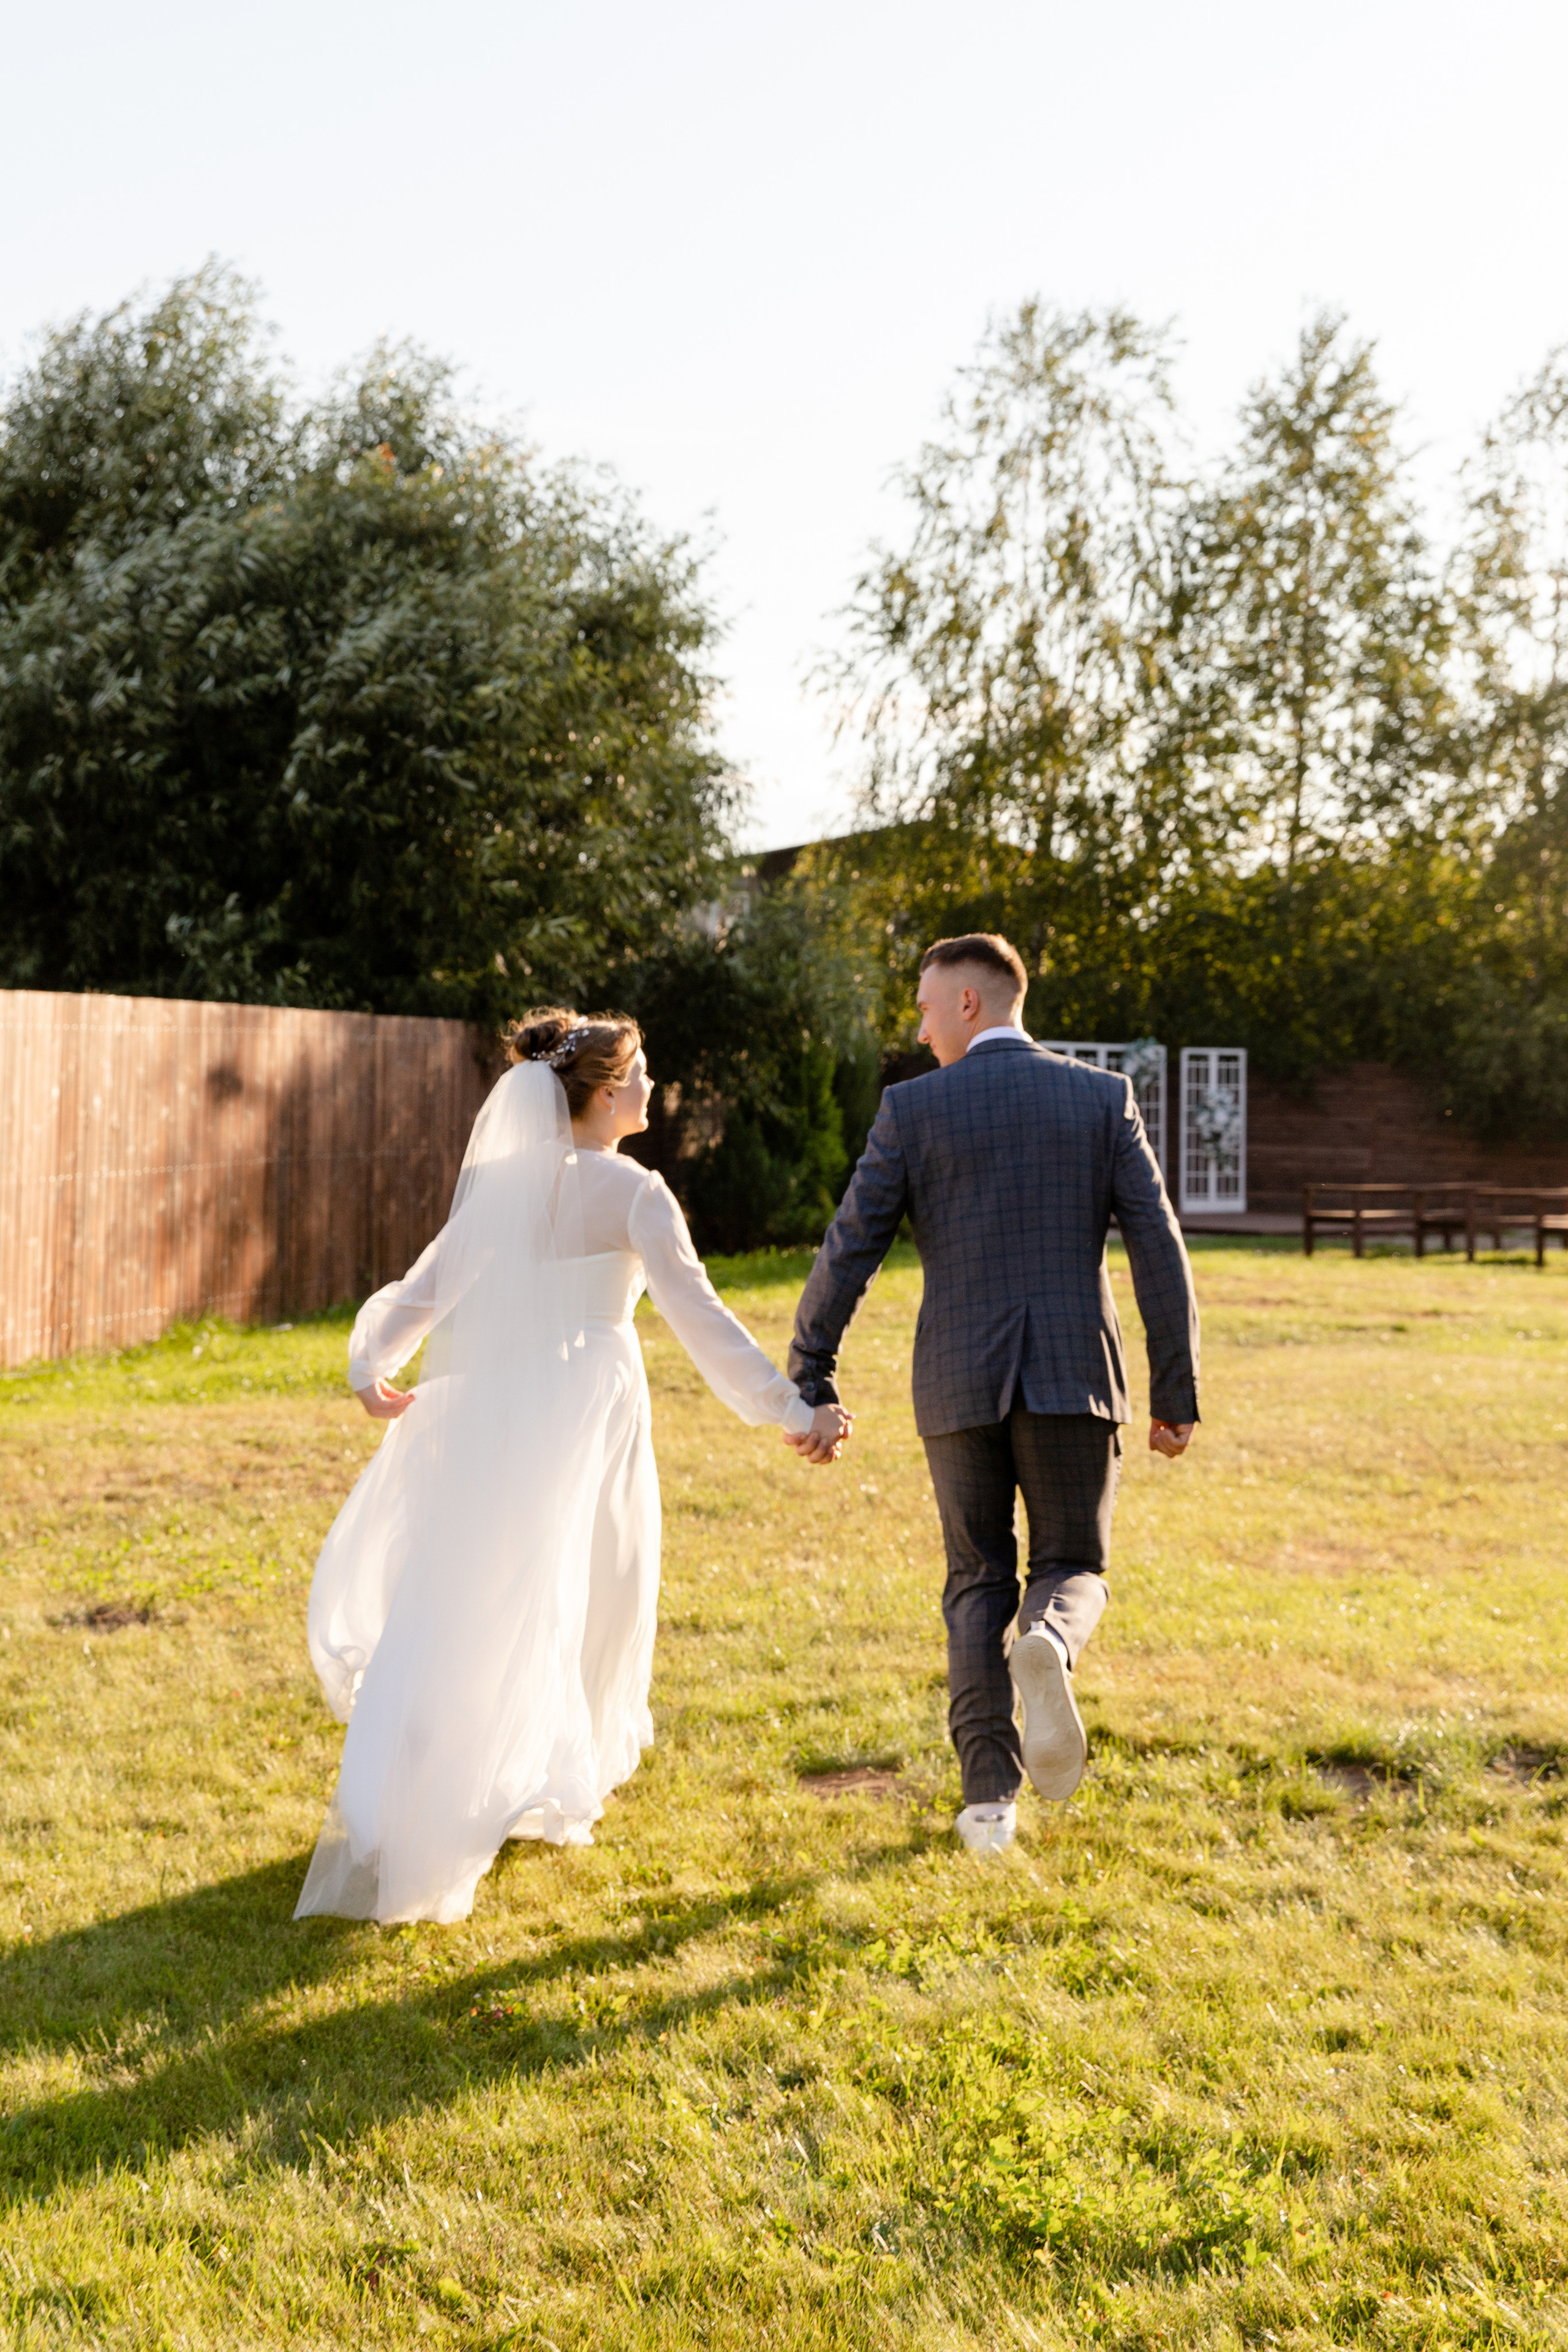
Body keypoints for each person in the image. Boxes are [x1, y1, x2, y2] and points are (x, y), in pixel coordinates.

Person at [295, 1011, 850, 1924]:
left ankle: (461, 1782)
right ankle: (538, 1778)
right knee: (594, 1586)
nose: (650, 1088)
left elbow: (429, 1290)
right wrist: (792, 1409)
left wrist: (370, 1365)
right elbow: (705, 1324)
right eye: (637, 1074)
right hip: (590, 1403)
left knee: (480, 1585)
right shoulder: (635, 1194)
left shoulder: (507, 1186)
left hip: (500, 1403)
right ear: (599, 1093)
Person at [787, 934, 1199, 1855]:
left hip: (957, 1380)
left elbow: (848, 1247)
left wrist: (810, 1370)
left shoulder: (912, 1109)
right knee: (1072, 1566)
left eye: (928, 1007)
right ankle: (1049, 1641)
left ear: (971, 1003)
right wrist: (1175, 1387)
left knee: (976, 1580)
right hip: (1073, 1377)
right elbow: (1158, 1248)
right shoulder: (1101, 1099)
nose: (921, 1026)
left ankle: (987, 1806)